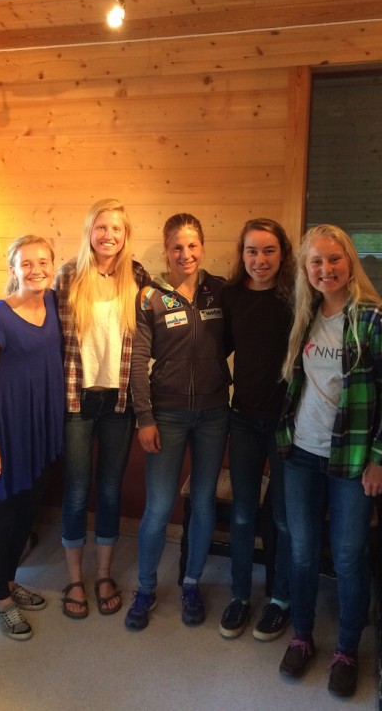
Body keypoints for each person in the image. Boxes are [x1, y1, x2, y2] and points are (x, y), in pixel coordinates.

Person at [276, 224, 382, 697]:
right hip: (301, 454)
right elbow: (299, 386)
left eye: (334, 259)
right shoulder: (305, 315)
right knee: (302, 550)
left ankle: (347, 648)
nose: (325, 269)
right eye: (316, 261)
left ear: (350, 262)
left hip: (353, 460)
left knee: (350, 556)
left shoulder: (377, 320)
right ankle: (303, 635)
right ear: (305, 269)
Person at [125, 212, 231, 631]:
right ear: (166, 250)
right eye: (176, 247)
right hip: (165, 415)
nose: (184, 254)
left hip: (214, 414)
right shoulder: (149, 296)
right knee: (158, 506)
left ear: (201, 247)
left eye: (192, 246)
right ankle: (146, 589)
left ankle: (190, 582)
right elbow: (137, 361)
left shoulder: (221, 291)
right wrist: (144, 417)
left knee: (203, 503)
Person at [56, 198, 150, 619]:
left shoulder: (138, 277)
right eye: (101, 227)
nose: (109, 235)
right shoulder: (68, 276)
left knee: (109, 489)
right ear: (89, 232)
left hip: (119, 400)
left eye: (116, 228)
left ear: (126, 235)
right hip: (77, 397)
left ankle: (104, 573)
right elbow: (45, 335)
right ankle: (75, 578)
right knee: (76, 491)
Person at [0, 235, 64, 640]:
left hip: (39, 425)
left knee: (27, 511)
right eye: (26, 263)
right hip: (5, 430)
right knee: (3, 517)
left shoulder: (54, 304)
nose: (36, 269)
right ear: (13, 270)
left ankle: (9, 581)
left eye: (43, 261)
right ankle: (1, 599)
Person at [218, 219, 294, 641]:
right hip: (243, 418)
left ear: (282, 254)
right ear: (241, 254)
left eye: (268, 251)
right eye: (251, 251)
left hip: (288, 423)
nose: (259, 259)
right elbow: (214, 349)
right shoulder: (230, 296)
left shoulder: (297, 297)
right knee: (244, 513)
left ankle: (279, 599)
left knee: (281, 518)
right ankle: (241, 596)